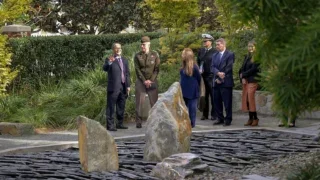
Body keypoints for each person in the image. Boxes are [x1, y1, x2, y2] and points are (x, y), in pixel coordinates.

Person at [103, 43, 131, 131]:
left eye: (120, 48)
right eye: (116, 48)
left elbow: (127, 74)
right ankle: (110, 125)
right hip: (113, 87)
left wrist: (128, 85)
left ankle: (120, 123)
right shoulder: (110, 59)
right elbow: (105, 68)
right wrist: (110, 62)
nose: (118, 49)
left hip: (123, 87)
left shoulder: (124, 60)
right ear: (113, 50)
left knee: (121, 105)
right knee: (111, 106)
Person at [134, 36, 160, 128]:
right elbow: (137, 70)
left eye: (144, 45)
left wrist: (151, 80)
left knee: (154, 103)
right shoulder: (137, 56)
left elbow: (156, 69)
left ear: (149, 44)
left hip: (152, 81)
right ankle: (138, 122)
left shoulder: (155, 55)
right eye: (141, 45)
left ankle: (155, 121)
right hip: (141, 81)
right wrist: (145, 81)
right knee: (139, 102)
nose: (142, 46)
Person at [211, 38, 235, 126]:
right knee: (217, 101)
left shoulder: (230, 54)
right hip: (216, 81)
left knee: (227, 102)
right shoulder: (214, 55)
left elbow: (229, 67)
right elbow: (212, 67)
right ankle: (219, 118)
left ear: (224, 45)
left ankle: (228, 119)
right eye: (216, 44)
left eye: (218, 44)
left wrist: (221, 78)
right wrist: (217, 73)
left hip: (226, 82)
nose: (216, 46)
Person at [239, 41, 260, 126]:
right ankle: (250, 118)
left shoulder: (257, 57)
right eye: (249, 46)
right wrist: (242, 77)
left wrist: (244, 75)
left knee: (250, 99)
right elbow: (242, 68)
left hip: (253, 80)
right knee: (247, 100)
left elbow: (254, 69)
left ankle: (255, 118)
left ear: (255, 47)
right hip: (246, 80)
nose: (250, 48)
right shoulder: (247, 56)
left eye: (252, 46)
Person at [197, 34, 217, 121]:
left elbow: (216, 64)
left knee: (213, 96)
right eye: (203, 41)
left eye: (206, 41)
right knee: (204, 96)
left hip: (211, 76)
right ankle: (205, 114)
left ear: (210, 42)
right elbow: (199, 61)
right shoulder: (201, 51)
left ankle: (214, 114)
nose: (204, 43)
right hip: (203, 76)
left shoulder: (214, 51)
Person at [180, 48, 201, 128]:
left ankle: (192, 124)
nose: (182, 55)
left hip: (192, 91)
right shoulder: (183, 66)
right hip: (184, 90)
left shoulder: (194, 67)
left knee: (192, 109)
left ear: (187, 56)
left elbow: (198, 78)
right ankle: (184, 123)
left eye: (183, 54)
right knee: (184, 109)